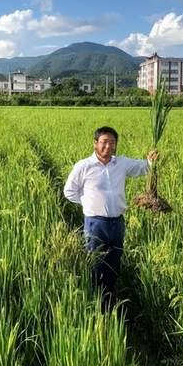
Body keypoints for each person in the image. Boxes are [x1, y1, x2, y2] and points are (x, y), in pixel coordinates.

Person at [63, 126, 158, 310]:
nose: (108, 146)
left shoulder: (121, 164)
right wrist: (89, 204)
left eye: (112, 143)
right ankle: (96, 301)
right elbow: (69, 192)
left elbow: (143, 168)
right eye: (104, 142)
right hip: (95, 223)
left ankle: (110, 298)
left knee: (114, 261)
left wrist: (151, 160)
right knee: (96, 262)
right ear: (95, 143)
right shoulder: (83, 166)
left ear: (116, 145)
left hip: (117, 223)